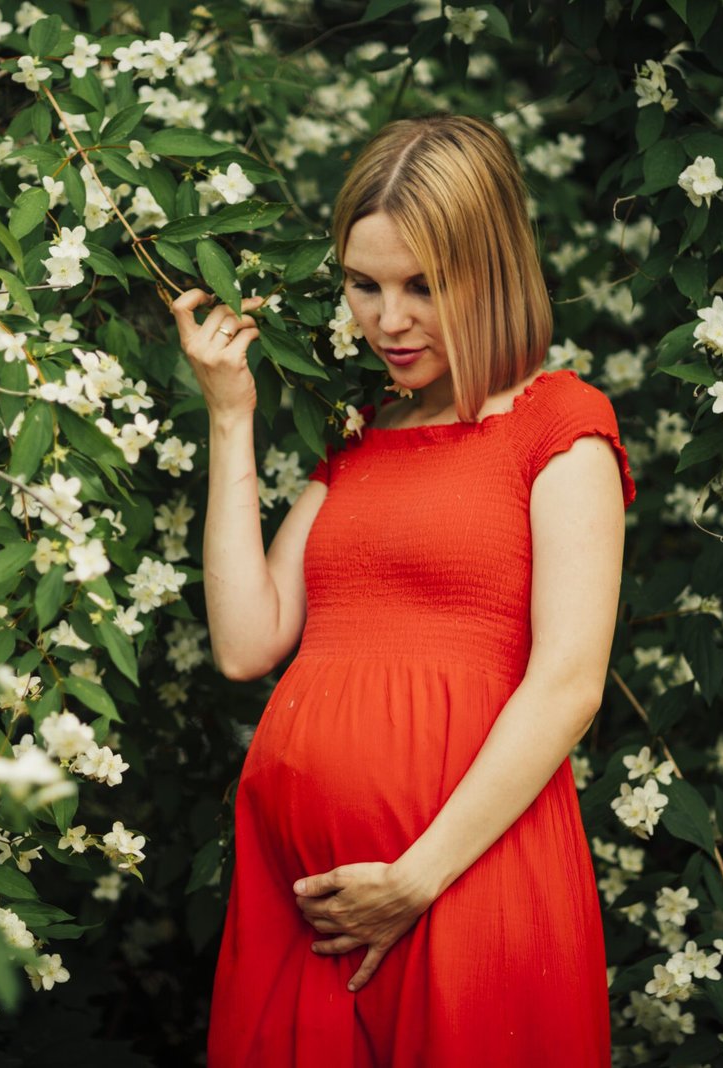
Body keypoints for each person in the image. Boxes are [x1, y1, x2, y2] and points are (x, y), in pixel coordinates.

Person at [172, 112, 636, 1067]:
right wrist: (232, 417)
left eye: (424, 285)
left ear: (493, 265)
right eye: (364, 284)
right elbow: (246, 642)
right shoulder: (364, 434)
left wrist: (415, 878)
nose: (388, 320)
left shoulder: (559, 425)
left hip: (462, 878)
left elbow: (569, 683)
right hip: (304, 899)